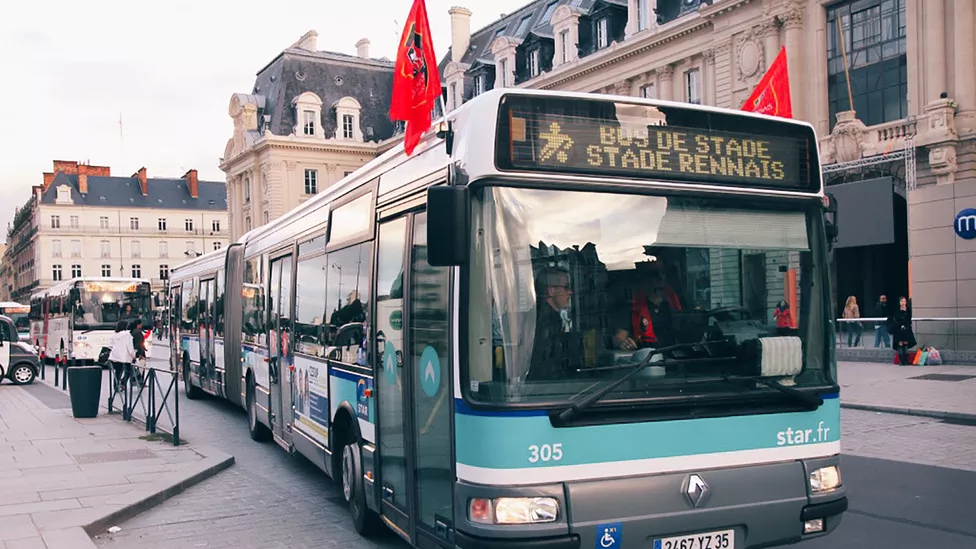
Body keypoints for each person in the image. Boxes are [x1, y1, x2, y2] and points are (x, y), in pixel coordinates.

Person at [528, 266, 577, 381]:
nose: (570, 292)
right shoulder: (545, 320)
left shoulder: (542, 315)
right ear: (551, 290)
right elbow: (546, 362)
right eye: (566, 287)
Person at [631, 258, 682, 348]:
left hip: (678, 356)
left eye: (663, 273)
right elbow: (620, 339)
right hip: (647, 357)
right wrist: (628, 343)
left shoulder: (678, 301)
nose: (661, 277)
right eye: (655, 273)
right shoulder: (633, 306)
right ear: (644, 277)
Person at [887, 296, 915, 366]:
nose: (903, 303)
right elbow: (896, 318)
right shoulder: (896, 309)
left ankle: (905, 360)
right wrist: (900, 324)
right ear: (899, 302)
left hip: (906, 328)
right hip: (898, 328)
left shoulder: (908, 309)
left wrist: (906, 325)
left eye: (904, 301)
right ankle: (901, 360)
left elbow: (909, 318)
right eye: (902, 301)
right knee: (900, 343)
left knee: (905, 343)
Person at [108, 320, 135, 384]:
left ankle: (116, 386)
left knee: (118, 372)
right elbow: (130, 347)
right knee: (129, 371)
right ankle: (123, 383)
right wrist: (133, 355)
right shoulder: (127, 335)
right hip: (125, 357)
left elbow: (110, 345)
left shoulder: (114, 335)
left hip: (115, 356)